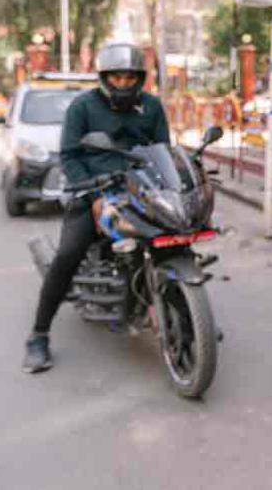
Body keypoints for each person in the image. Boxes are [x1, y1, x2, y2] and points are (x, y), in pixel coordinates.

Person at [22, 43, 171, 373]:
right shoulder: (83, 107)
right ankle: (38, 335)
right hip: (91, 189)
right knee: (69, 254)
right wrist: (94, 197)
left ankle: (171, 312)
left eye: (129, 77)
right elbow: (71, 158)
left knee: (171, 238)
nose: (123, 83)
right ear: (104, 77)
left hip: (140, 190)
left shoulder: (152, 107)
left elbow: (164, 151)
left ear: (140, 79)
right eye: (116, 77)